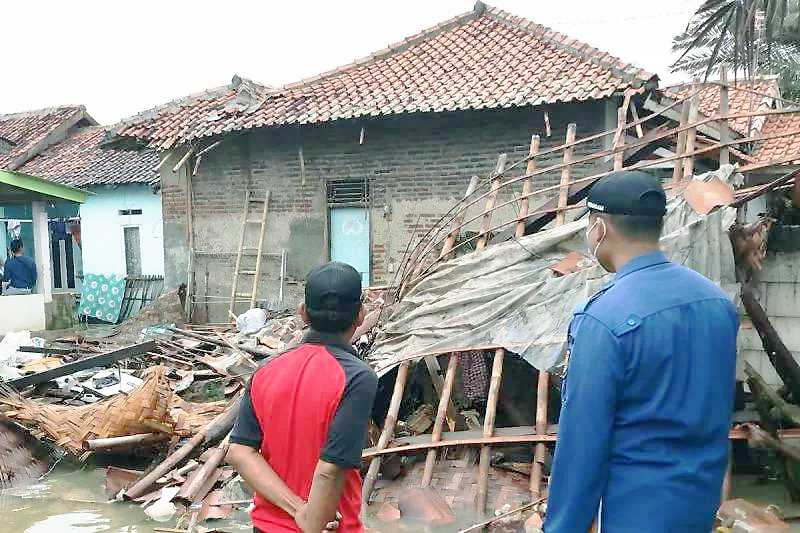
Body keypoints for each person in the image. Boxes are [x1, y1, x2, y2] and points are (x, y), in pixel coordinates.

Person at [544, 170, 739, 532]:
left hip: (633, 513)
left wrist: (562, 526)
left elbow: (582, 444)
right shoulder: (717, 303)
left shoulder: (603, 318)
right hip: (699, 505)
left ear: (598, 229)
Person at [227, 261, 378, 533]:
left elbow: (239, 452)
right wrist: (310, 520)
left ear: (303, 313)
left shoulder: (266, 370)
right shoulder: (358, 378)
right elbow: (329, 469)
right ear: (360, 315)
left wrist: (298, 508)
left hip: (266, 527)